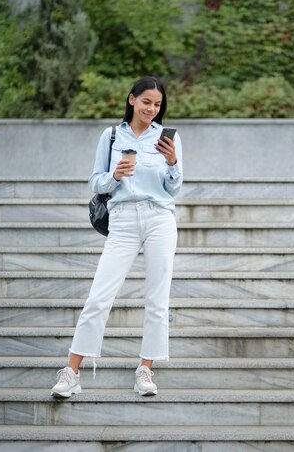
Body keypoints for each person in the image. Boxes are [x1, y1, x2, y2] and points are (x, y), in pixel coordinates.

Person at [51, 76, 183, 398]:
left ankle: (145, 369)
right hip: (122, 219)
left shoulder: (169, 138)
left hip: (159, 218)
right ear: (132, 100)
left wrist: (172, 163)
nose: (152, 108)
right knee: (99, 297)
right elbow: (94, 182)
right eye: (146, 101)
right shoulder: (111, 136)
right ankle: (72, 371)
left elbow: (174, 188)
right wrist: (114, 176)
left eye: (157, 104)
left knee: (157, 299)